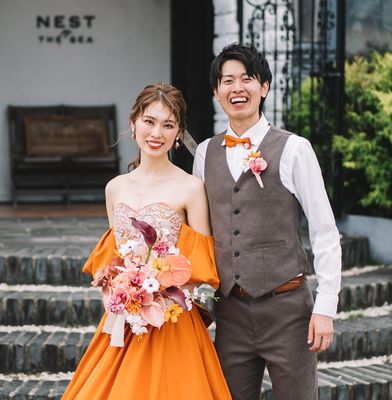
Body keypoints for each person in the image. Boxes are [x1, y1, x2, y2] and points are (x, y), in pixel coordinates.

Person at [61, 83, 232, 400]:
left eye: (168, 125)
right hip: (124, 320)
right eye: (149, 121)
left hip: (172, 320)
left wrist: (157, 295)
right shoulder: (115, 188)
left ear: (178, 133)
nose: (156, 133)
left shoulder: (192, 188)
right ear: (133, 123)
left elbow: (202, 263)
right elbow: (114, 259)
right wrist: (119, 295)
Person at [192, 43, 342, 399]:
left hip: (287, 310)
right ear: (216, 92)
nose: (237, 88)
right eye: (227, 80)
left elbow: (324, 231)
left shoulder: (295, 149)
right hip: (230, 312)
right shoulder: (204, 153)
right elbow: (201, 234)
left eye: (247, 78)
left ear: (265, 87)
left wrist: (325, 307)